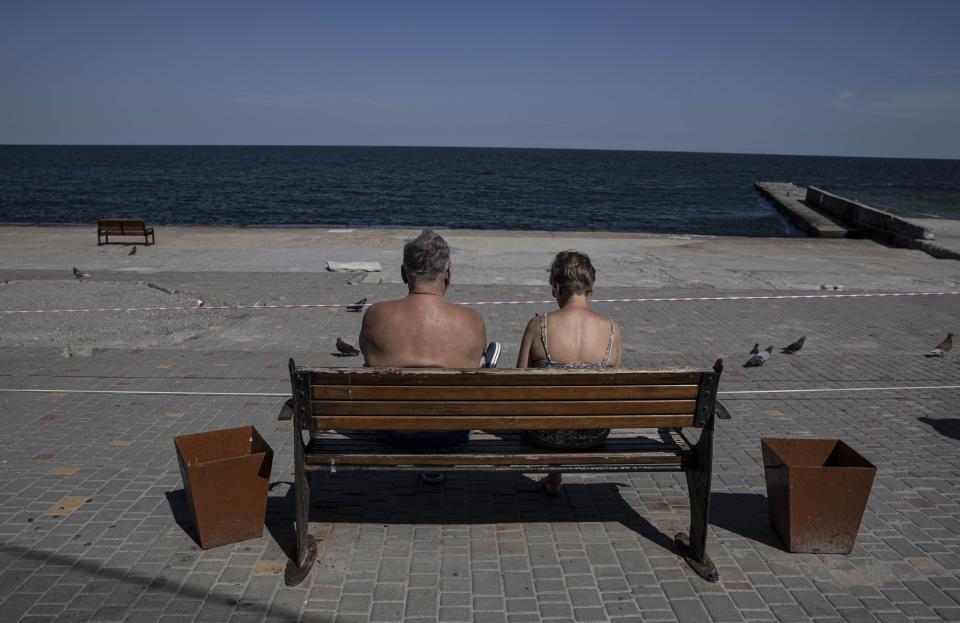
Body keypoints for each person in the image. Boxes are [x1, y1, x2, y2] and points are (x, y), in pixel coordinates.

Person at [359, 229, 499, 457]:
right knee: (481, 360)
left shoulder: (375, 315)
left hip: (391, 430)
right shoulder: (473, 320)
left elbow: (367, 357)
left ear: (404, 274)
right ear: (448, 274)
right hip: (452, 432)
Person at [515, 250, 623, 496]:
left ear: (556, 287)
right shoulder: (613, 331)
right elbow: (611, 391)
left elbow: (518, 384)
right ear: (592, 287)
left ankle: (554, 476)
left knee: (553, 408)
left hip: (542, 434)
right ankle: (555, 476)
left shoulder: (537, 326)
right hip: (594, 434)